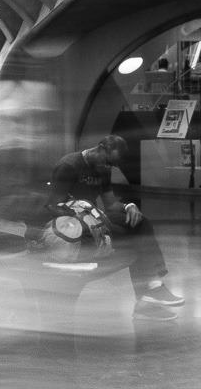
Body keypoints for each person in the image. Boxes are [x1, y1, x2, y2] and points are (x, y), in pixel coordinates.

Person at [50, 135, 186, 316]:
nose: (107, 168)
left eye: (111, 165)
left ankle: (153, 285)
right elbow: (53, 205)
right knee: (134, 242)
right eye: (107, 162)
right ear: (100, 148)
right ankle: (145, 301)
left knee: (140, 223)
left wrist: (129, 206)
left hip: (95, 217)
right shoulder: (69, 165)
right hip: (76, 222)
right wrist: (83, 216)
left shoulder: (103, 170)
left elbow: (110, 203)